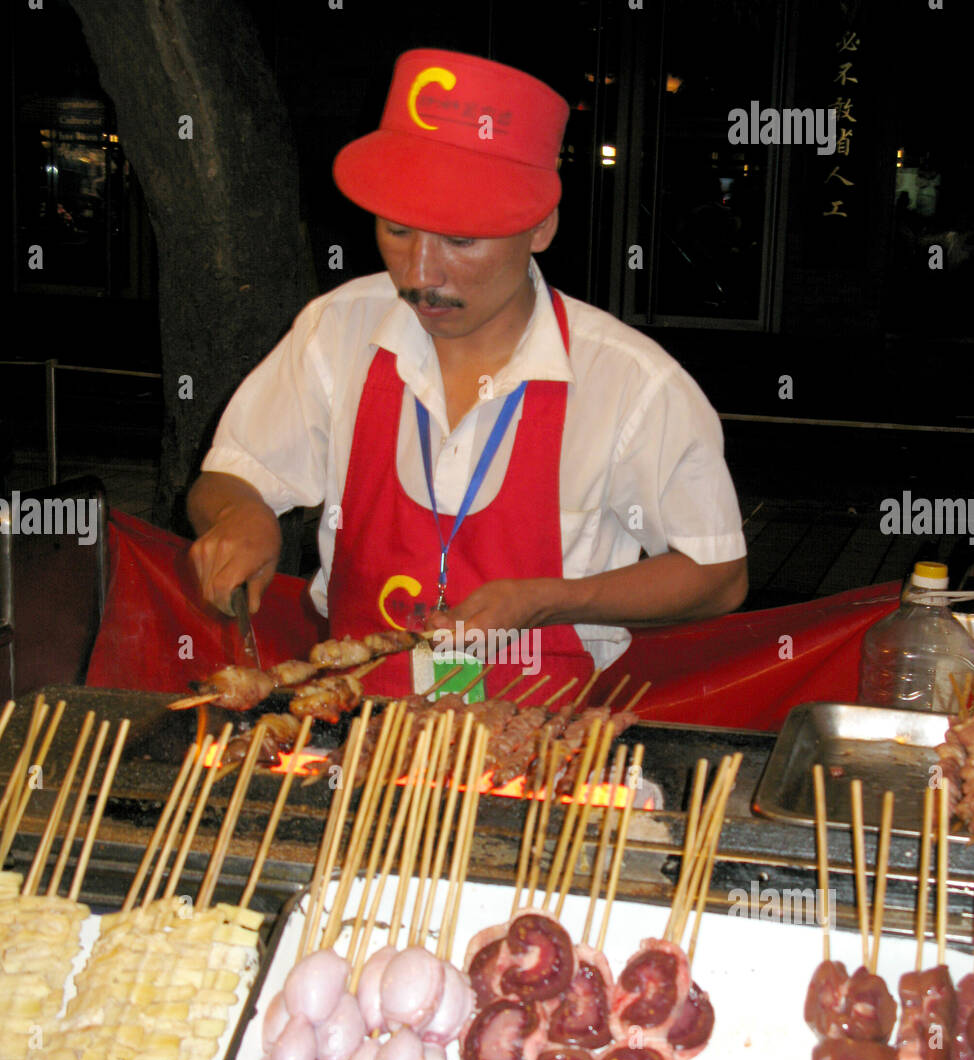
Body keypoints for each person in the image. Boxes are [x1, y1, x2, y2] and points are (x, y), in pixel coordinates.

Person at [188, 48, 747, 695]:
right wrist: (240, 516)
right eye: (398, 230)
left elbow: (718, 575)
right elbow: (226, 479)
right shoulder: (338, 330)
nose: (421, 273)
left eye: (460, 239)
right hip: (363, 737)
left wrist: (549, 600)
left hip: (539, 746)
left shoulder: (628, 382)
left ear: (541, 225)